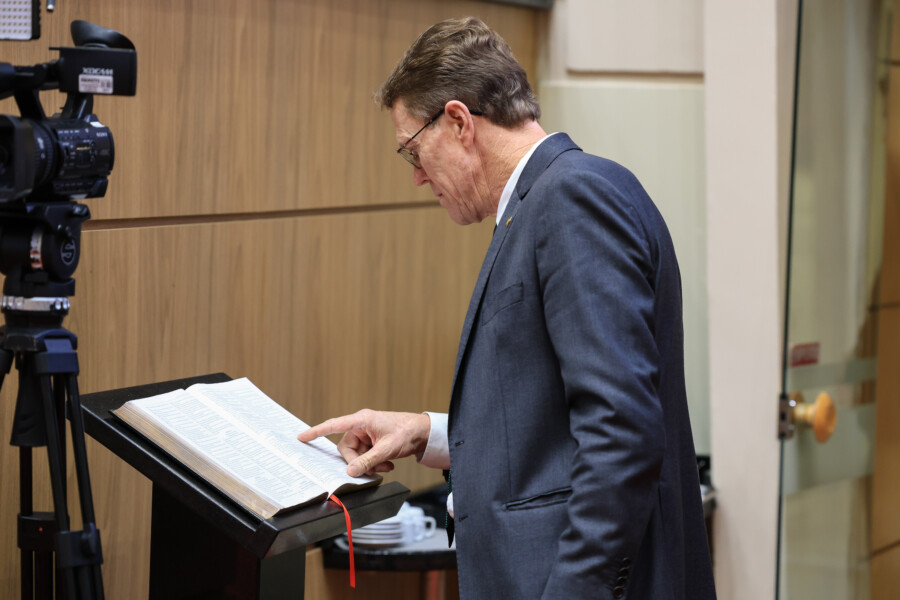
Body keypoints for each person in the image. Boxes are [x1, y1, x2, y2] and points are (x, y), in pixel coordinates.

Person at [298, 16, 716, 600]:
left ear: (459, 121)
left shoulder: (571, 197)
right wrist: (426, 433)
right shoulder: (546, 199)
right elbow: (553, 421)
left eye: (413, 152)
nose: (417, 177)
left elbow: (620, 433)